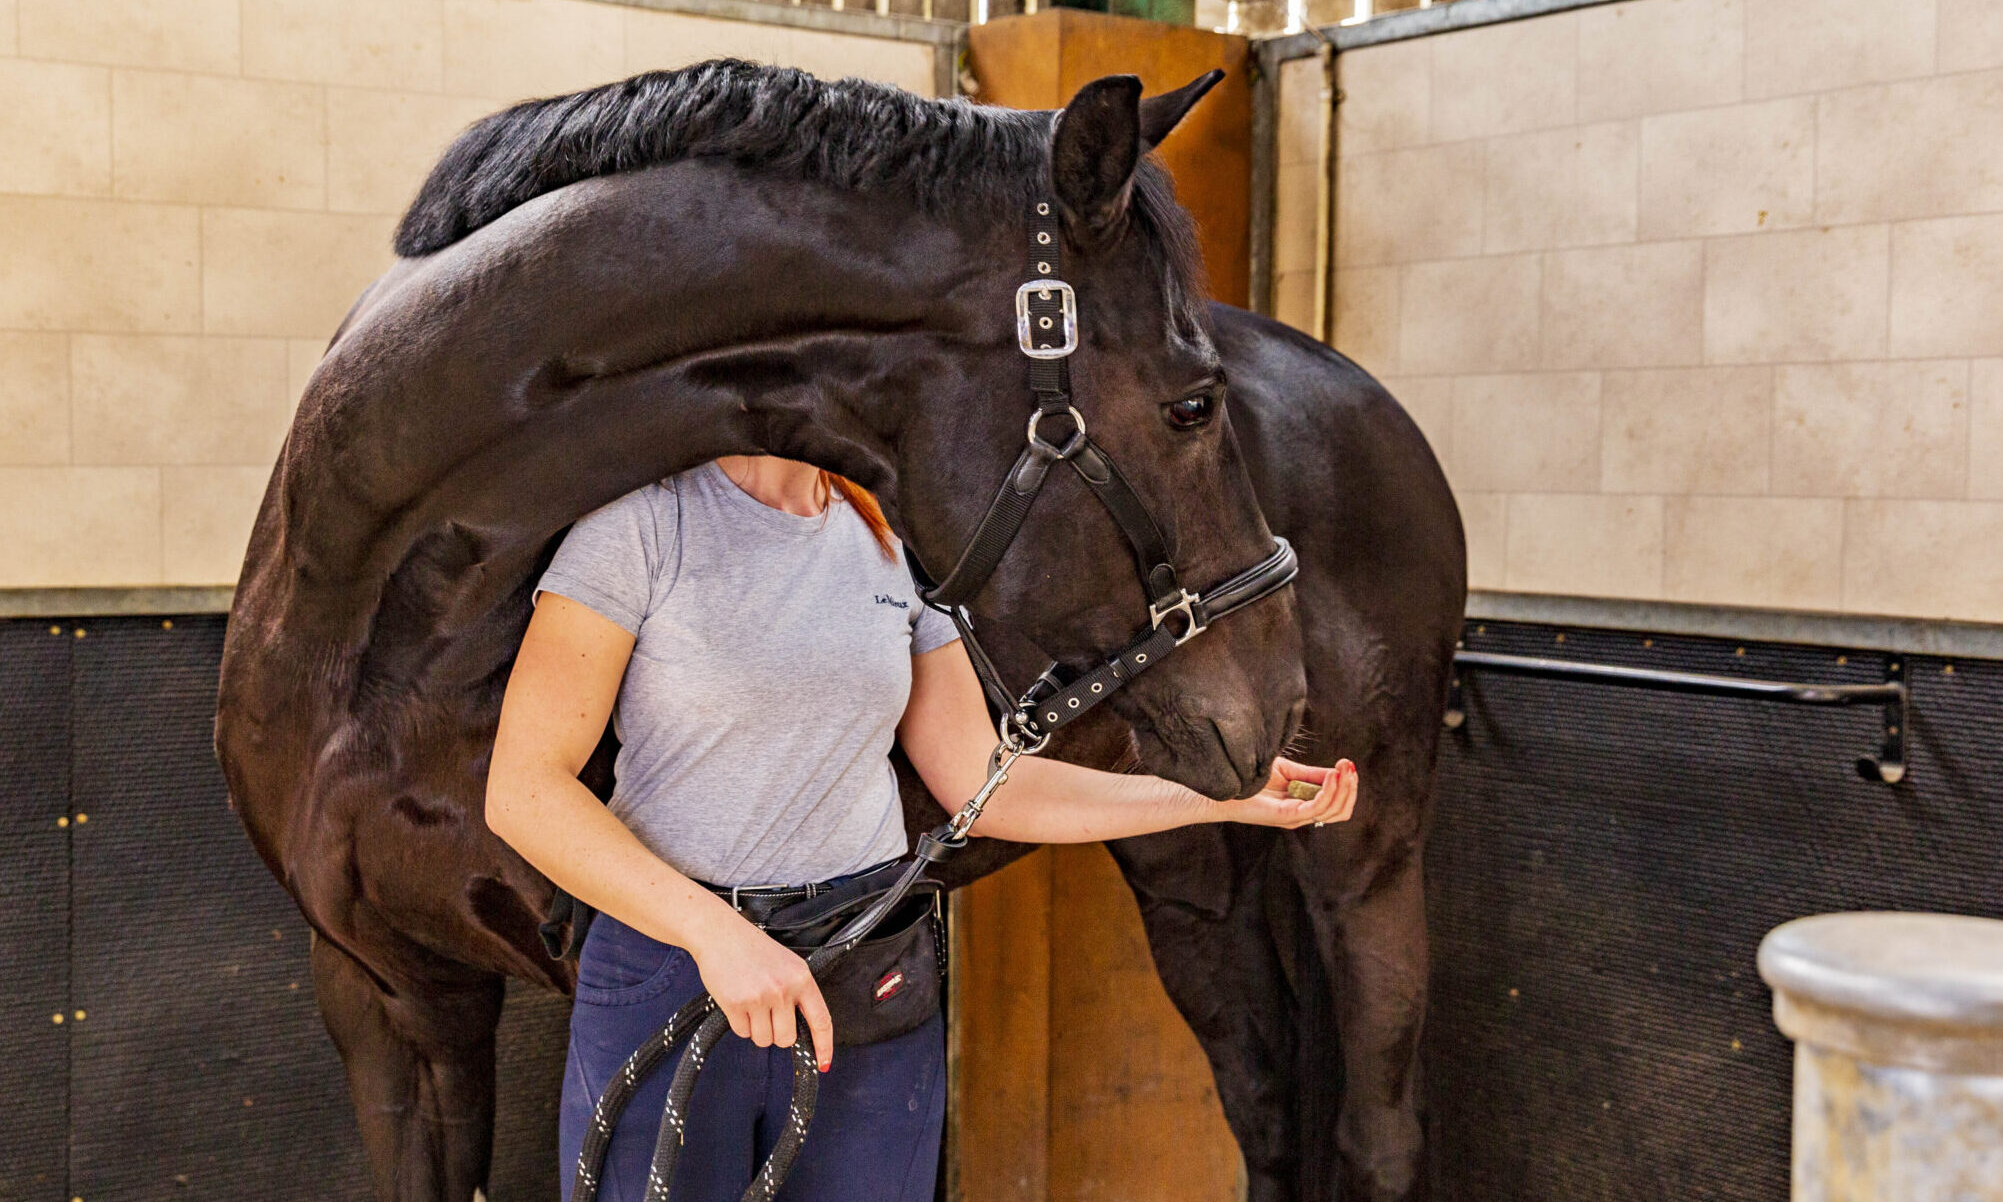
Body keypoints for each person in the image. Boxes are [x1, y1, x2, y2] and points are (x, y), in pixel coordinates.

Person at [485, 454, 1358, 1201]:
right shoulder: (640, 528)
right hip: (674, 971)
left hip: (867, 981)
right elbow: (523, 788)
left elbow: (987, 785)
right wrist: (716, 935)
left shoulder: (887, 542)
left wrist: (1217, 796)